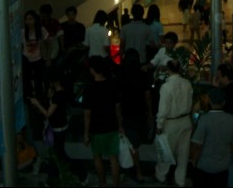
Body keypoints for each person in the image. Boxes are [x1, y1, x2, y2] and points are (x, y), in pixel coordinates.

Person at [83, 55, 123, 188]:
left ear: (93, 69)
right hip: (111, 125)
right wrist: (120, 125)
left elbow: (87, 113)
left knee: (97, 157)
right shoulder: (112, 84)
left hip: (96, 126)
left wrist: (86, 132)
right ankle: (116, 184)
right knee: (114, 158)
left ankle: (102, 183)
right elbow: (117, 107)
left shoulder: (89, 88)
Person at [191, 87, 233, 188]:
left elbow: (197, 145)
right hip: (223, 167)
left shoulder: (205, 119)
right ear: (224, 102)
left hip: (204, 166)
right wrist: (228, 152)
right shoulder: (231, 119)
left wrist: (194, 161)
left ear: (209, 100)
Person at [117, 48, 153, 183]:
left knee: (131, 144)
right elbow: (148, 96)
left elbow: (118, 100)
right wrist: (150, 114)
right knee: (134, 144)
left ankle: (134, 171)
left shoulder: (120, 75)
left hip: (126, 114)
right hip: (140, 113)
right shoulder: (143, 74)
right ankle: (136, 172)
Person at [155, 60, 193, 187]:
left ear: (168, 70)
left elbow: (163, 109)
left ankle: (161, 175)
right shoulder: (187, 83)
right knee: (183, 153)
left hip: (171, 123)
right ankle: (180, 180)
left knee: (166, 152)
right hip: (186, 120)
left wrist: (159, 125)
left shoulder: (166, 87)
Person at [30, 69, 71, 181]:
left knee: (59, 154)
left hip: (58, 128)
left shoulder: (58, 96)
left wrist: (37, 103)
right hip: (61, 126)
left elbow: (48, 113)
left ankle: (75, 173)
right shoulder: (62, 92)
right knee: (57, 153)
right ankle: (55, 175)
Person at [22, 9, 49, 99]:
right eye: (26, 19)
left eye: (30, 19)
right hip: (26, 59)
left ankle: (40, 98)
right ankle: (29, 98)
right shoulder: (22, 32)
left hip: (39, 58)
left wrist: (47, 58)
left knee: (38, 81)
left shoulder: (41, 30)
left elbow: (47, 44)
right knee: (27, 81)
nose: (28, 21)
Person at [39, 3, 63, 69]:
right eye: (43, 16)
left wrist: (62, 49)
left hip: (52, 43)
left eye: (46, 16)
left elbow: (60, 36)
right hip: (43, 45)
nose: (45, 18)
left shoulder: (55, 22)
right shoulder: (39, 23)